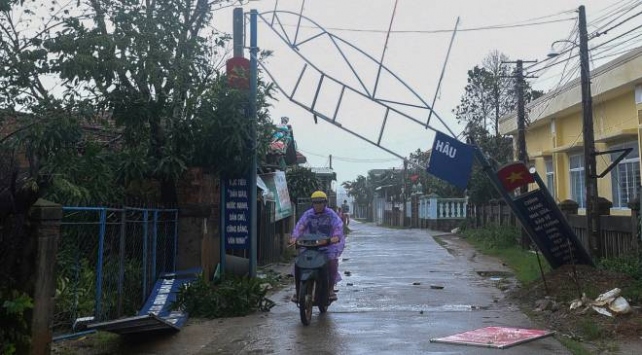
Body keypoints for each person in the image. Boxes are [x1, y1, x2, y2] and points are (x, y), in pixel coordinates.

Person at [290, 190, 345, 301]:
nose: (318, 205)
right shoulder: (308, 214)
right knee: (298, 264)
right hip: (310, 245)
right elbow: (300, 227)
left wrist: (335, 238)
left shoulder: (331, 215)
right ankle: (298, 290)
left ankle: (330, 289)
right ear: (312, 203)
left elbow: (338, 228)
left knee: (332, 262)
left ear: (325, 203)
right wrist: (294, 238)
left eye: (320, 202)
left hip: (327, 245)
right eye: (315, 202)